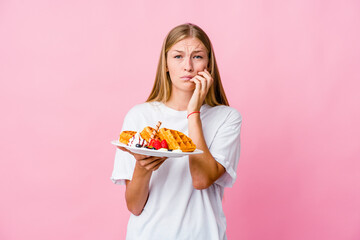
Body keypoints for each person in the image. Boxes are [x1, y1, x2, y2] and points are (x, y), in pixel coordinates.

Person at [111, 23, 242, 240]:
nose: (188, 66)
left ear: (208, 64)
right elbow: (134, 206)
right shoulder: (140, 116)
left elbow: (201, 180)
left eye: (197, 57)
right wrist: (143, 166)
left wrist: (193, 112)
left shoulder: (227, 118)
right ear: (166, 64)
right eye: (178, 56)